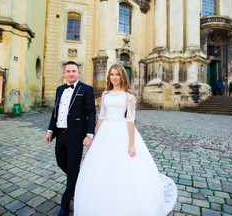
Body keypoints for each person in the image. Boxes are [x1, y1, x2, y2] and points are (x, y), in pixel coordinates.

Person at [74, 64, 177, 216]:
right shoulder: (105, 94)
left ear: (123, 76)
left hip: (121, 130)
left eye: (117, 74)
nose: (114, 77)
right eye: (112, 74)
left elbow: (130, 121)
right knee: (101, 167)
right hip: (105, 133)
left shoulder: (128, 96)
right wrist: (92, 136)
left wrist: (132, 145)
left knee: (124, 168)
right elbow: (101, 116)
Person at [45, 61, 96, 216]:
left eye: (74, 71)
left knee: (73, 170)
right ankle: (79, 182)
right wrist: (50, 130)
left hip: (76, 136)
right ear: (64, 73)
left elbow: (91, 112)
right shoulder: (60, 89)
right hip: (60, 134)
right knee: (61, 161)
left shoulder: (86, 89)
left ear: (78, 73)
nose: (71, 73)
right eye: (68, 71)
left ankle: (65, 204)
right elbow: (56, 111)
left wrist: (89, 134)